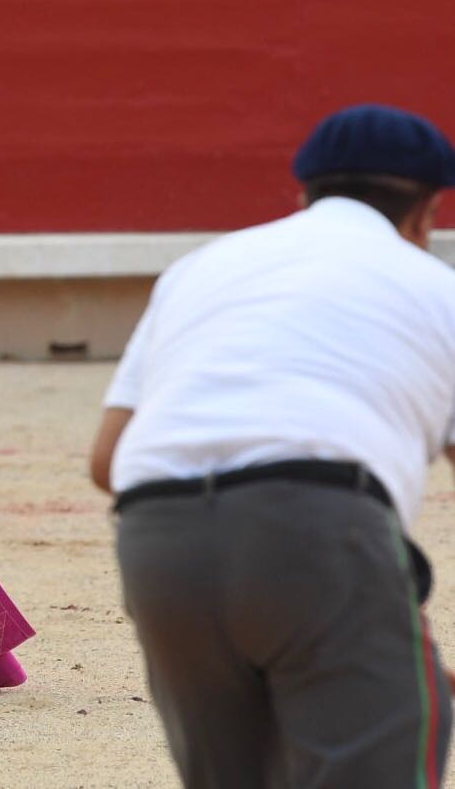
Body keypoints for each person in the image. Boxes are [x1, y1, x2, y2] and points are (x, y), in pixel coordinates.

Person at [89, 103, 455, 787]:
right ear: (425, 213)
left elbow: (107, 460)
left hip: (156, 539)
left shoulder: (199, 269)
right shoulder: (439, 287)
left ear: (303, 192)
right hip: (319, 530)